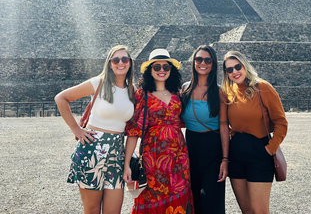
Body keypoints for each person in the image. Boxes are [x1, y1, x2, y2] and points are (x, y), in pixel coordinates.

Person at [55, 45, 136, 214]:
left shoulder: (132, 91)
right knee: (91, 210)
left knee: (113, 211)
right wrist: (76, 130)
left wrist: (127, 162)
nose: (120, 62)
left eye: (124, 59)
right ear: (110, 64)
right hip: (92, 149)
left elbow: (133, 130)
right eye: (116, 59)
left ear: (130, 63)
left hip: (116, 154)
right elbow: (61, 98)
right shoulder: (98, 83)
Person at [123, 49, 194, 213]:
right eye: (157, 67)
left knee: (178, 195)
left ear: (171, 70)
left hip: (179, 156)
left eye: (166, 67)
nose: (162, 70)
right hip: (152, 158)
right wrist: (127, 163)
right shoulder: (142, 95)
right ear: (150, 70)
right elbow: (134, 131)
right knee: (151, 197)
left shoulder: (178, 94)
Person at [221, 51, 288, 214]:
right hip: (236, 155)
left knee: (260, 211)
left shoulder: (263, 88)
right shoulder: (228, 93)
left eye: (238, 67)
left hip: (259, 154)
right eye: (229, 70)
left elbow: (281, 122)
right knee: (247, 210)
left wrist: (270, 149)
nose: (234, 72)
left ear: (245, 66)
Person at [180, 45, 229, 214]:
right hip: (190, 146)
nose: (203, 63)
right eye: (199, 59)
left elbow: (224, 127)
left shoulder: (219, 92)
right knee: (192, 197)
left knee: (212, 201)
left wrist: (225, 159)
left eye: (208, 60)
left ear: (213, 64)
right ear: (193, 62)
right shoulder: (185, 89)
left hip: (212, 147)